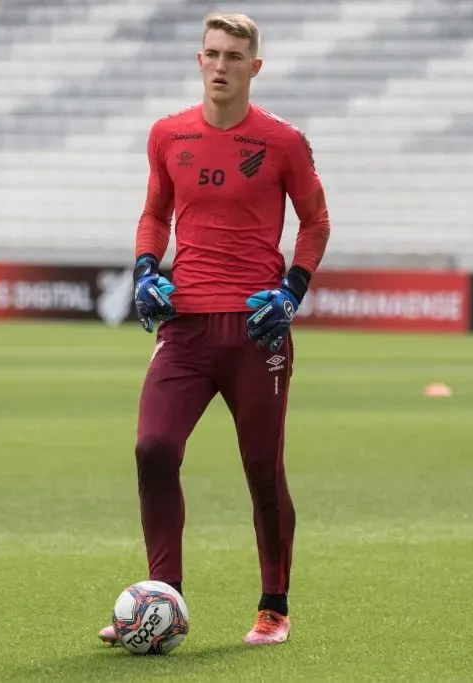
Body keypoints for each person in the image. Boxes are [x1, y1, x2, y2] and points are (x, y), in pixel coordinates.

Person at [99, 11, 331, 648]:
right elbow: (153, 213)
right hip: (185, 328)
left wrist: (292, 292)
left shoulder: (283, 142)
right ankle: (161, 600)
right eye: (211, 54)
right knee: (153, 449)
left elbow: (315, 224)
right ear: (198, 61)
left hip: (258, 334)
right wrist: (147, 269)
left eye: (234, 56)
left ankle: (274, 607)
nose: (220, 66)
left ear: (255, 68)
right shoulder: (168, 135)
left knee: (261, 468)